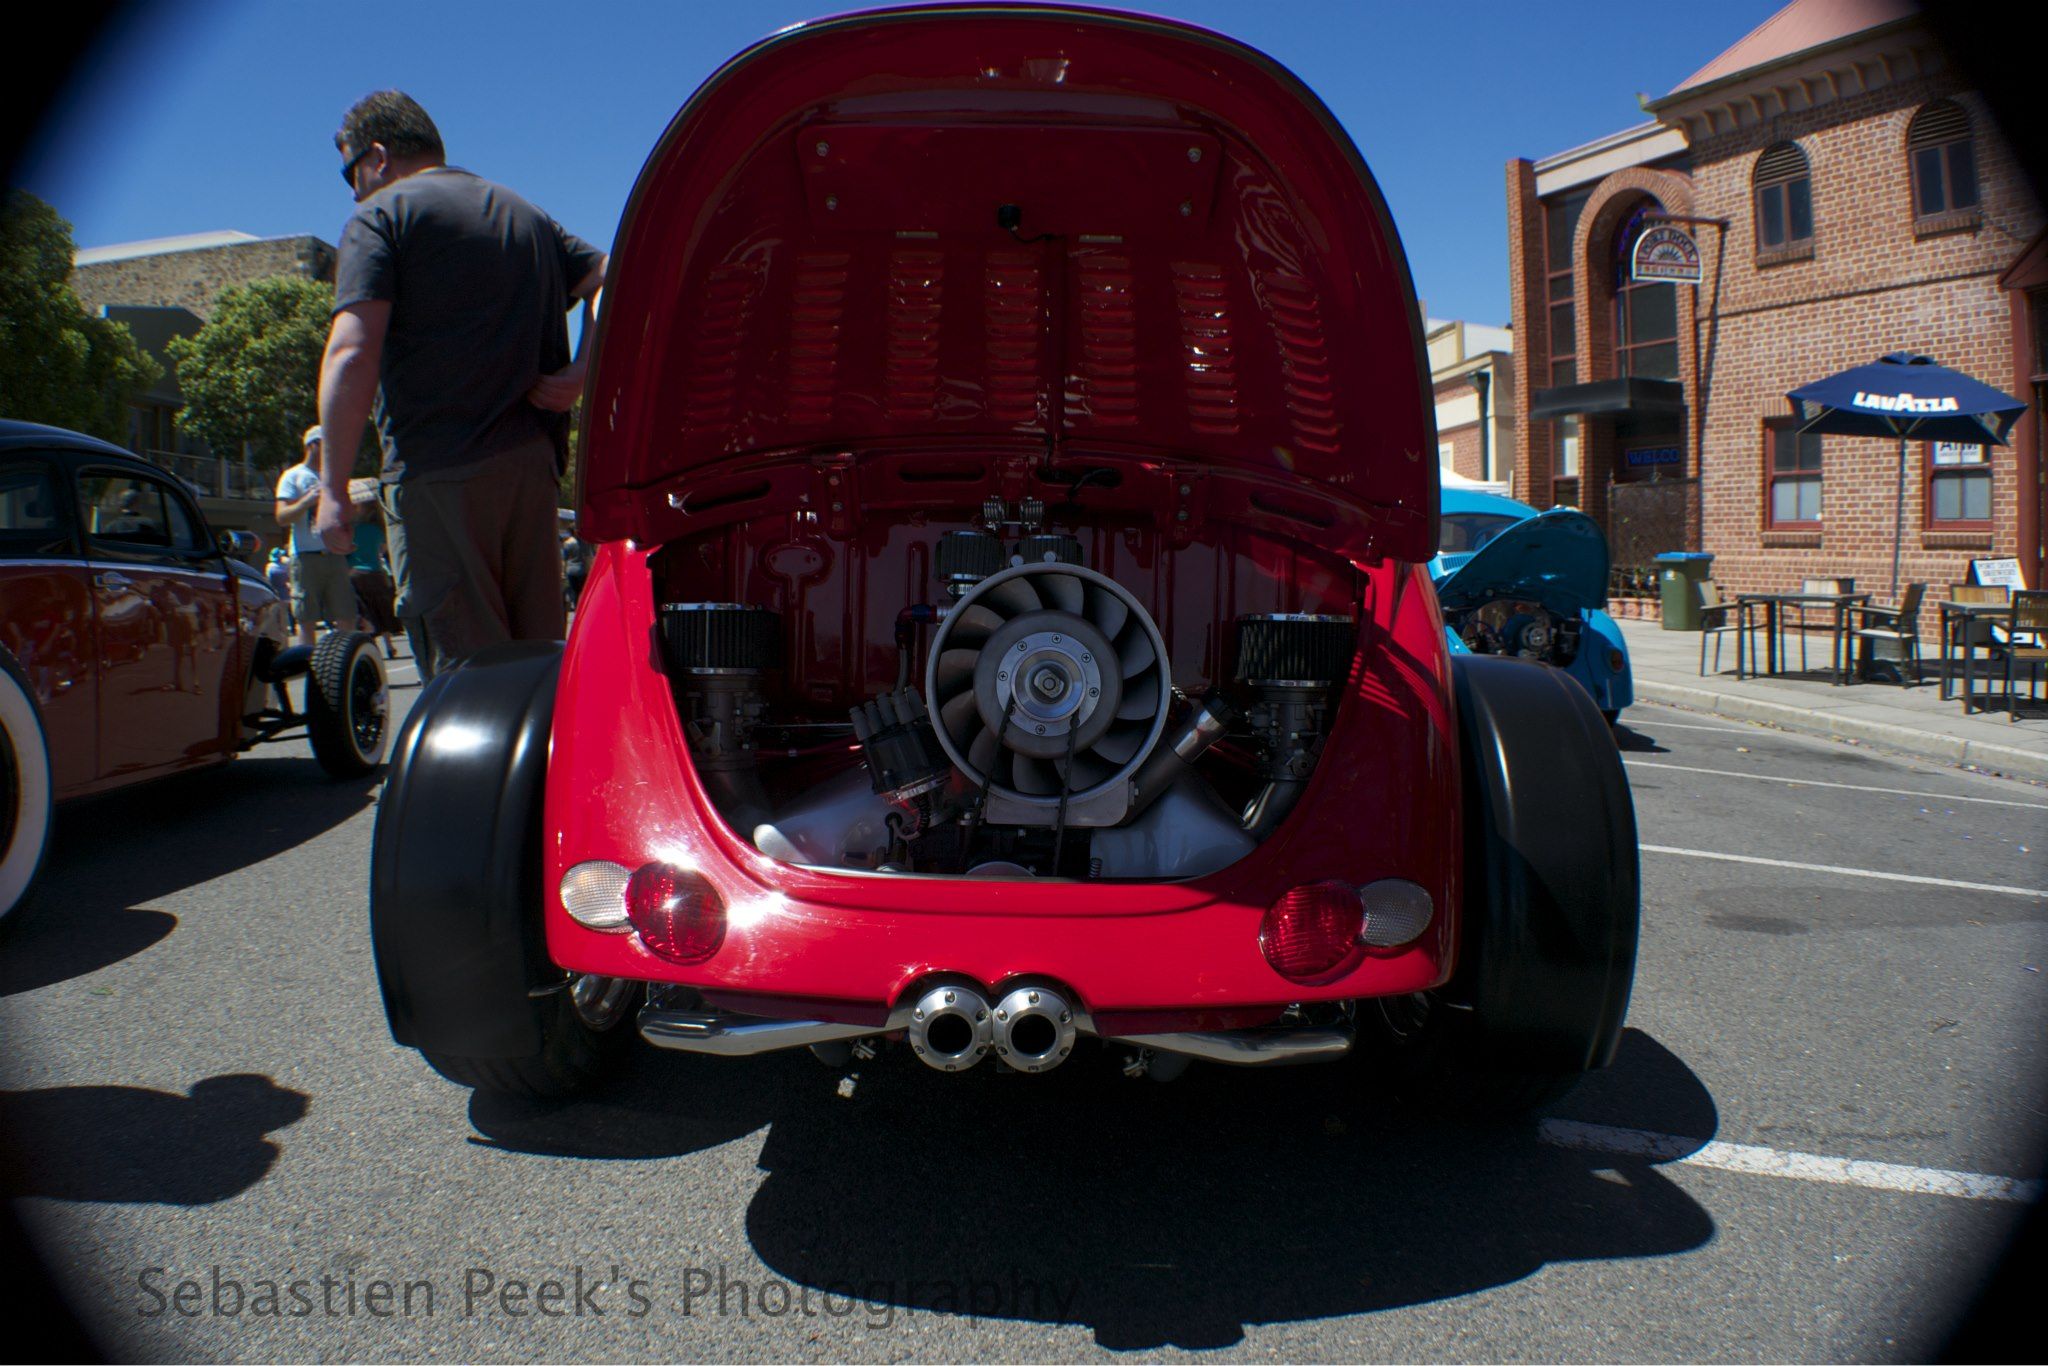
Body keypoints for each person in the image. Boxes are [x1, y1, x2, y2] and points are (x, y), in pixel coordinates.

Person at [313, 90, 606, 681]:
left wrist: (333, 487)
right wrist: (584, 369)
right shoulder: (524, 212)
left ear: (377, 156)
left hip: (439, 473)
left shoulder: (381, 214)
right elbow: (611, 274)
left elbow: (351, 350)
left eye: (350, 172)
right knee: (539, 672)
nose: (352, 190)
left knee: (467, 683)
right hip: (532, 473)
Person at [275, 426, 357, 648]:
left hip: (335, 555)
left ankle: (342, 662)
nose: (331, 448)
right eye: (325, 442)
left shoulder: (333, 477)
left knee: (347, 615)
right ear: (312, 445)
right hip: (305, 556)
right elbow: (281, 517)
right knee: (306, 619)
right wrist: (306, 501)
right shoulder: (293, 475)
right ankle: (308, 666)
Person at [346, 479, 401, 661]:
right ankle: (389, 646)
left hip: (355, 574)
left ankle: (372, 646)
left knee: (366, 613)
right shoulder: (376, 530)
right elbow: (383, 550)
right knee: (382, 610)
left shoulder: (350, 531)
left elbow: (346, 552)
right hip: (376, 573)